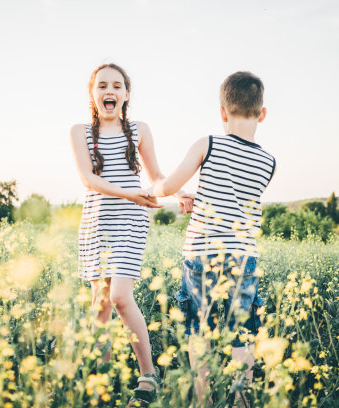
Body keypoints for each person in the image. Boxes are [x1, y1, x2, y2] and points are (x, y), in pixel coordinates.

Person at [146, 71, 276, 407]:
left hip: (202, 252)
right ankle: (242, 402)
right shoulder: (269, 161)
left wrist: (159, 191)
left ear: (222, 112)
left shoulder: (209, 143)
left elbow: (170, 185)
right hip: (243, 254)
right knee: (242, 331)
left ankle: (202, 402)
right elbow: (236, 199)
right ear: (262, 113)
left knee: (198, 331)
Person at [69, 63, 193, 407]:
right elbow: (88, 180)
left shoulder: (139, 130)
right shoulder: (79, 131)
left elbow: (155, 176)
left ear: (126, 94)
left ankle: (148, 377)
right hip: (96, 221)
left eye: (117, 86)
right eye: (102, 86)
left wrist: (177, 192)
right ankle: (102, 380)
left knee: (121, 297)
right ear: (93, 94)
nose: (110, 91)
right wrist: (133, 193)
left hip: (130, 220)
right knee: (101, 305)